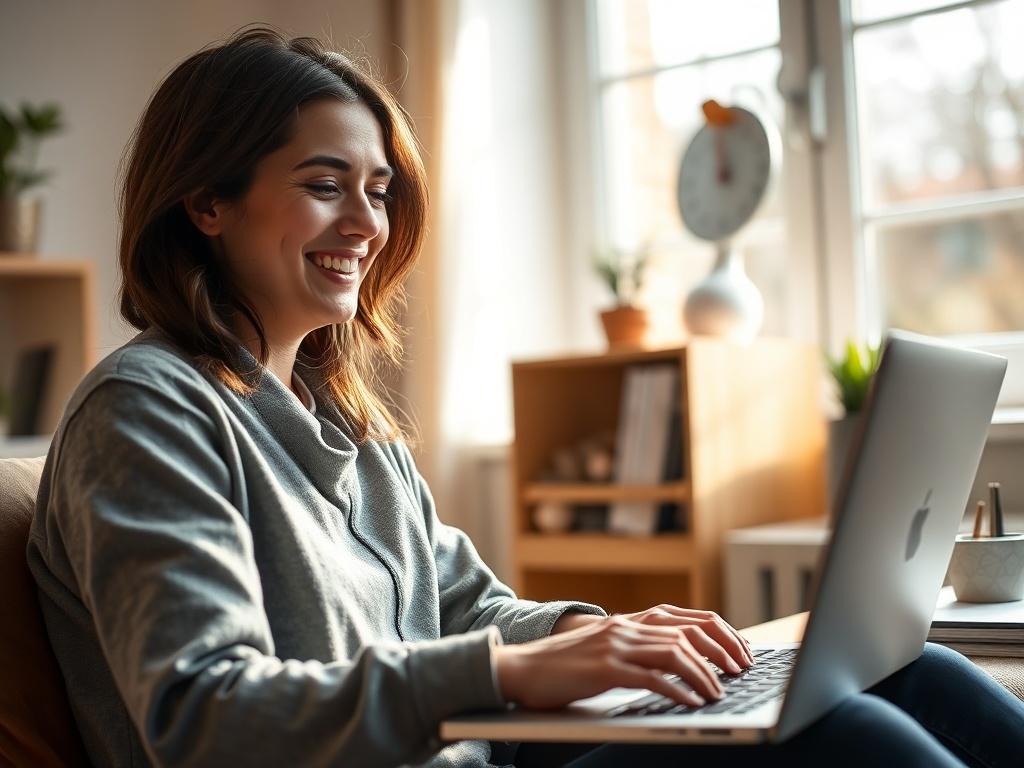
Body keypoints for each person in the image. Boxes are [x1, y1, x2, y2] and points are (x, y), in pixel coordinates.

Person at [26, 25, 1024, 768]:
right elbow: (201, 716)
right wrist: (506, 673)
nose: (367, 224)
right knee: (838, 734)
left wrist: (619, 641)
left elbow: (472, 607)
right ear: (206, 202)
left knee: (911, 672)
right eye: (326, 183)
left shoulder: (351, 429)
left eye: (379, 190)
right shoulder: (146, 409)